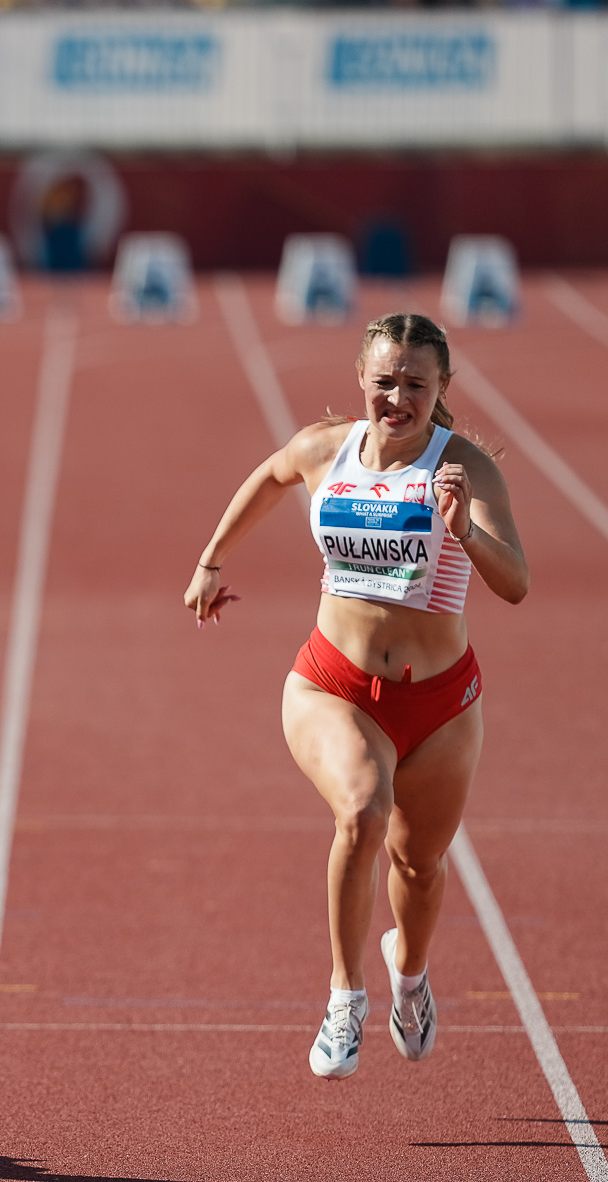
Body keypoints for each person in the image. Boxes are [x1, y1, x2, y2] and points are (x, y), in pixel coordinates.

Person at [185, 313, 528, 1080]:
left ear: (442, 387)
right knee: (363, 811)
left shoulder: (463, 468)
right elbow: (273, 474)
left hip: (441, 706)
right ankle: (346, 996)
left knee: (420, 866)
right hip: (334, 685)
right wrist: (211, 560)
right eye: (384, 381)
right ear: (360, 379)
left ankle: (409, 973)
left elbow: (517, 583)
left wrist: (465, 532)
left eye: (416, 384)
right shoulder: (327, 449)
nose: (397, 398)